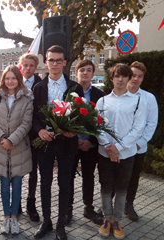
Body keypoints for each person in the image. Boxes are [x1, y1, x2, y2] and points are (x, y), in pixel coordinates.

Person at [33, 45, 84, 240]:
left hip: (67, 143)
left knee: (65, 183)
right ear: (46, 62)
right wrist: (40, 130)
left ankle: (61, 224)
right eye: (51, 60)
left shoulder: (74, 87)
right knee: (45, 182)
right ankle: (47, 221)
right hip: (46, 142)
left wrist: (74, 130)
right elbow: (34, 115)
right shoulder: (38, 88)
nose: (54, 64)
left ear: (64, 62)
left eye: (58, 60)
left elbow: (80, 114)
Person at [96, 63, 144, 239]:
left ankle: (117, 221)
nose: (121, 79)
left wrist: (118, 148)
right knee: (106, 187)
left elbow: (137, 129)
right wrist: (109, 147)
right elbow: (97, 125)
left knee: (122, 188)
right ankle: (107, 219)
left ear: (129, 78)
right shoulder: (102, 101)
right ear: (112, 78)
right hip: (105, 153)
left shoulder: (137, 101)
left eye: (124, 76)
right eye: (117, 76)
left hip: (126, 154)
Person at [0, 65, 33, 235]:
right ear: (3, 80)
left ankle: (14, 218)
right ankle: (6, 217)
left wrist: (12, 139)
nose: (10, 81)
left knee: (18, 185)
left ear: (18, 79)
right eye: (7, 78)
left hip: (18, 148)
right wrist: (1, 138)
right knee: (4, 186)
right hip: (1, 149)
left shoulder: (26, 99)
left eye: (13, 78)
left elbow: (26, 123)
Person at [68, 60, 105, 225]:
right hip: (71, 143)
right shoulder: (69, 92)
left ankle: (88, 207)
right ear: (77, 73)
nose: (85, 73)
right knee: (68, 176)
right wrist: (74, 139)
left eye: (89, 70)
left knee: (88, 176)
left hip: (90, 144)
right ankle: (67, 208)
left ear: (92, 73)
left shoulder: (100, 95)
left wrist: (90, 140)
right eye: (82, 70)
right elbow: (63, 116)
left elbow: (102, 121)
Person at [124, 61, 158, 221]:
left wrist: (140, 142)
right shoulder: (118, 94)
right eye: (133, 75)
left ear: (143, 78)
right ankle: (109, 204)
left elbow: (151, 123)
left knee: (133, 177)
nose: (135, 79)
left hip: (138, 147)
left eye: (139, 76)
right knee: (116, 177)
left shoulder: (148, 98)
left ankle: (128, 205)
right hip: (120, 147)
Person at [19, 53, 41, 221]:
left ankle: (31, 203)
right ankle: (16, 204)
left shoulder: (41, 84)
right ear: (21, 65)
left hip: (34, 134)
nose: (28, 68)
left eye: (31, 66)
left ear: (35, 67)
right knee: (17, 170)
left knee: (33, 171)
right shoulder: (13, 82)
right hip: (17, 134)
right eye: (25, 65)